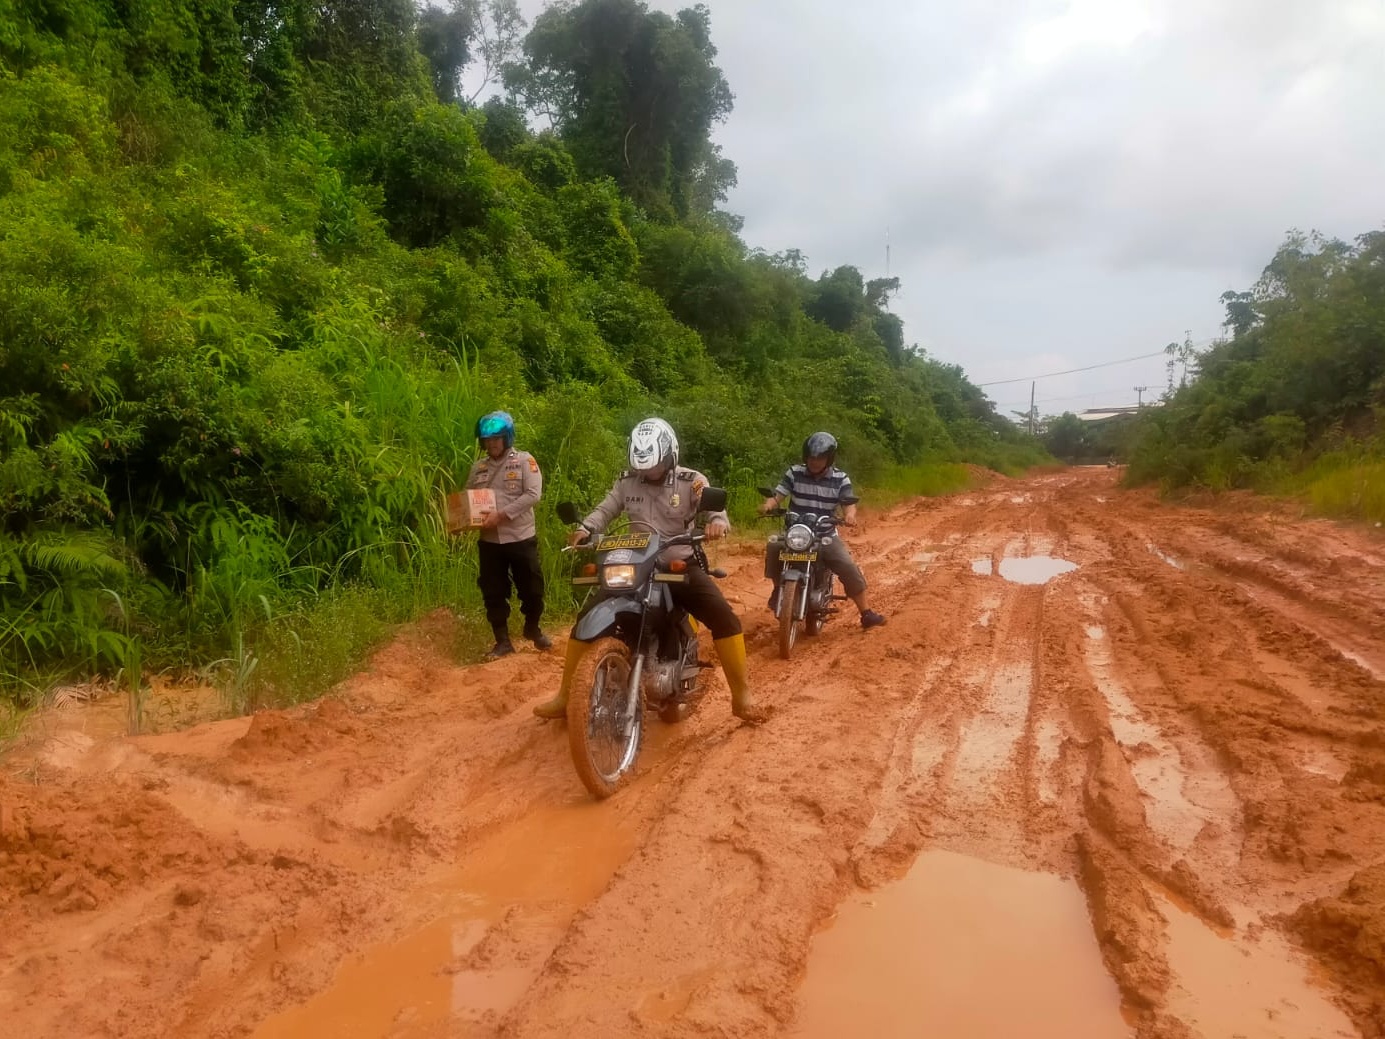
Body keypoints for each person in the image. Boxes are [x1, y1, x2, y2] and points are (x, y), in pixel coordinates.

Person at [532, 417, 769, 725]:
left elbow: (714, 509)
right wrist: (585, 528)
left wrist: (717, 523)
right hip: (636, 564)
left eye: (654, 466)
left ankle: (742, 697)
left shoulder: (691, 480)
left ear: (670, 456)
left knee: (724, 617)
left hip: (678, 563)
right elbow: (606, 510)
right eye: (642, 467)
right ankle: (566, 696)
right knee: (587, 615)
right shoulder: (626, 481)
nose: (647, 472)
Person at [758, 431, 886, 630]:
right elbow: (778, 494)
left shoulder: (840, 478)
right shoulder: (794, 473)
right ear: (805, 456)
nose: (814, 462)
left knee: (846, 565)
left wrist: (850, 515)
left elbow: (848, 503)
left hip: (824, 534)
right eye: (811, 457)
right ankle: (778, 589)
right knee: (774, 546)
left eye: (820, 458)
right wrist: (768, 505)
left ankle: (866, 613)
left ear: (829, 459)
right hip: (797, 533)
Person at [466, 411, 551, 658]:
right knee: (493, 591)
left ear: (507, 438)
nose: (492, 444)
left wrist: (501, 515)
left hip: (520, 536)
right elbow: (468, 499)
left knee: (533, 589)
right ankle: (502, 641)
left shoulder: (524, 461)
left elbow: (533, 495)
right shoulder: (478, 468)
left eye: (497, 439)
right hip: (490, 541)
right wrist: (462, 522)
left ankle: (532, 628)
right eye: (487, 440)